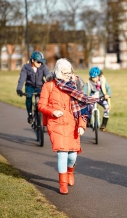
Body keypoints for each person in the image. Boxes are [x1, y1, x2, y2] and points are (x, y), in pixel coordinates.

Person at [38, 58, 98, 195]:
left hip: (72, 124)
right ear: (58, 72)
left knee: (72, 156)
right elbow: (41, 105)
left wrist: (82, 125)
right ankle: (62, 184)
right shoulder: (49, 86)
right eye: (65, 73)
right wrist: (52, 111)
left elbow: (83, 108)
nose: (68, 75)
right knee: (62, 154)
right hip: (56, 124)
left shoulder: (75, 86)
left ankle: (70, 171)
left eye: (69, 72)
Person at [16, 51, 50, 124]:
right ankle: (30, 115)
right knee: (29, 98)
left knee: (45, 100)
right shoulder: (26, 68)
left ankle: (44, 118)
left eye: (41, 62)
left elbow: (48, 75)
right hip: (29, 86)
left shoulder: (43, 66)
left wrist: (50, 79)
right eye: (38, 62)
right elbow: (22, 78)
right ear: (33, 60)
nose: (40, 64)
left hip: (40, 86)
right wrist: (19, 89)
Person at [83, 67, 111, 131]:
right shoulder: (89, 83)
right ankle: (88, 121)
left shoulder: (103, 81)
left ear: (98, 76)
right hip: (92, 98)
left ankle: (104, 125)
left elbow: (108, 88)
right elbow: (85, 90)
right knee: (89, 108)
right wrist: (84, 96)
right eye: (92, 77)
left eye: (95, 77)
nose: (94, 79)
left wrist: (107, 95)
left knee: (107, 107)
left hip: (101, 98)